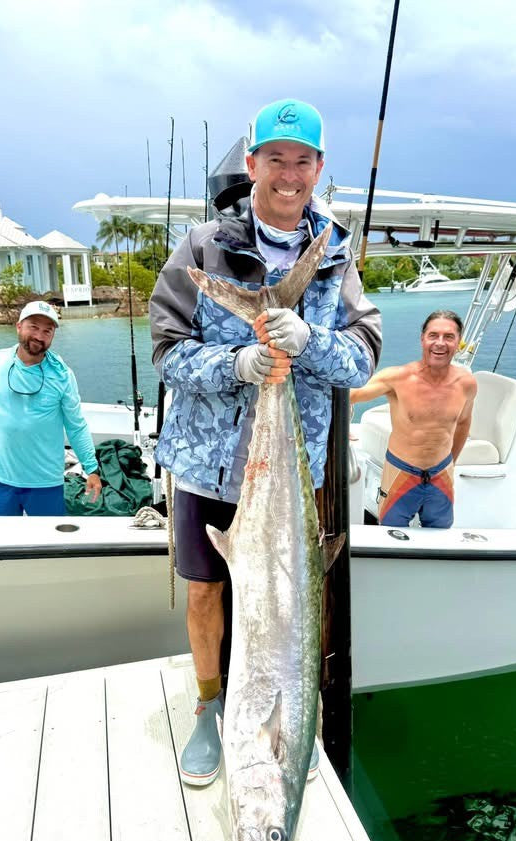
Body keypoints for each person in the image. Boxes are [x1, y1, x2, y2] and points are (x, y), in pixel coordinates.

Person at [150, 98, 382, 786]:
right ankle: (208, 706)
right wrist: (235, 366)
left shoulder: (335, 253)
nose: (288, 173)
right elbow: (166, 350)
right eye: (274, 159)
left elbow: (363, 354)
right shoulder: (200, 248)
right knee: (203, 592)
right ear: (251, 165)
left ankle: (279, 707)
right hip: (206, 465)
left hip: (293, 465)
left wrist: (310, 342)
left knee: (290, 599)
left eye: (302, 160)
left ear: (317, 168)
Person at [0, 300, 102, 515]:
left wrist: (91, 469)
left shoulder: (62, 375)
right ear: (18, 327)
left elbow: (76, 425)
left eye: (47, 330)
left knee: (49, 543)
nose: (39, 335)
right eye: (33, 327)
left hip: (46, 481)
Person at [350, 309, 477, 528]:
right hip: (401, 472)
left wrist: (451, 464)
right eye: (433, 335)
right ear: (422, 339)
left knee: (440, 537)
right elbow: (351, 394)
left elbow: (464, 423)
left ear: (458, 343)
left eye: (449, 337)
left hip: (441, 474)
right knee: (390, 535)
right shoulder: (398, 377)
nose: (440, 343)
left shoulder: (467, 383)